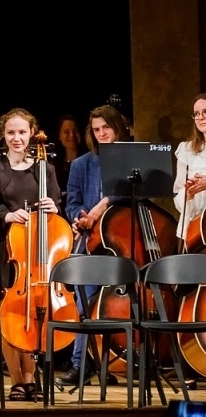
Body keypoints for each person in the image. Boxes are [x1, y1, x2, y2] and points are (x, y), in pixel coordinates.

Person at [0, 108, 63, 401]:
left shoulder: (46, 168)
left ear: (31, 134)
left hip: (36, 255)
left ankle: (32, 378)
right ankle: (16, 379)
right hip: (4, 248)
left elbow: (56, 209)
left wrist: (53, 207)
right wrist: (7, 215)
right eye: (11, 133)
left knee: (35, 315)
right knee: (10, 315)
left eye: (22, 132)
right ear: (3, 134)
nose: (16, 138)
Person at [61, 104, 130, 385]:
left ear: (118, 128)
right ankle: (83, 363)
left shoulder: (130, 158)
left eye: (107, 128)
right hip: (91, 241)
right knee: (84, 300)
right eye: (97, 129)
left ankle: (102, 362)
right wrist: (79, 216)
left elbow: (130, 194)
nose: (102, 133)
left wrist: (103, 204)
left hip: (124, 240)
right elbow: (73, 202)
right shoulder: (81, 164)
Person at [175, 94, 206, 249]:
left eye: (205, 112)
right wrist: (189, 193)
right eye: (197, 114)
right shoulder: (186, 150)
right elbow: (178, 192)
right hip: (191, 229)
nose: (201, 118)